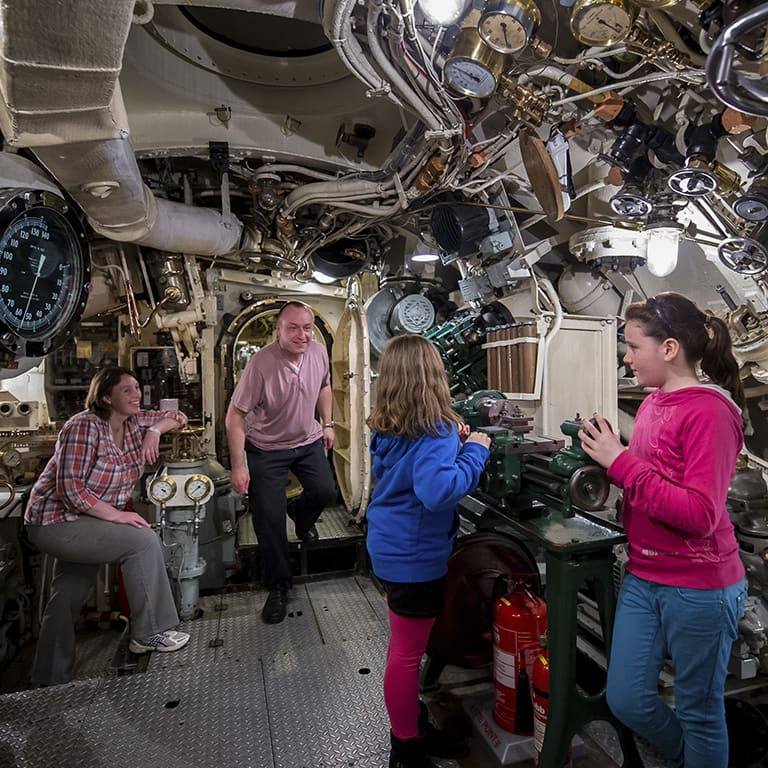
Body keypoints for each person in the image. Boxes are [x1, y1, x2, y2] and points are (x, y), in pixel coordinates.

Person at [579, 292, 747, 768]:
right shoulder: (655, 402)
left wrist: (621, 463)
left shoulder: (710, 412)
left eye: (633, 347)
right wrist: (613, 453)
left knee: (699, 712)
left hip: (700, 586)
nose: (627, 358)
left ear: (669, 348)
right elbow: (651, 477)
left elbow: (699, 514)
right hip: (645, 576)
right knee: (627, 699)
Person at [365, 334, 491, 768]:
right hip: (414, 557)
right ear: (433, 375)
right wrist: (474, 451)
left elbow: (404, 469)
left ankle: (414, 728)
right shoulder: (435, 429)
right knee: (405, 656)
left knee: (403, 647)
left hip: (386, 547)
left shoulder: (388, 425)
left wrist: (450, 442)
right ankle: (407, 749)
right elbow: (439, 492)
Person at [25, 366, 191, 687]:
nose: (136, 394)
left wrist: (155, 431)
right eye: (126, 390)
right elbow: (70, 489)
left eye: (137, 388)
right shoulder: (83, 427)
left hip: (88, 521)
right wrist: (117, 516)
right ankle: (148, 633)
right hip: (55, 521)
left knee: (68, 592)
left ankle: (49, 676)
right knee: (141, 540)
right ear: (105, 396)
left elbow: (178, 416)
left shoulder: (132, 423)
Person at [226, 300, 337, 625]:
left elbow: (325, 386)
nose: (301, 335)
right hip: (266, 448)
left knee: (324, 493)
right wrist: (239, 464)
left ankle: (301, 517)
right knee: (269, 518)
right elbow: (235, 415)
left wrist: (327, 423)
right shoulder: (261, 364)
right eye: (293, 327)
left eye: (306, 327)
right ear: (278, 330)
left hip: (307, 441)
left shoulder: (317, 351)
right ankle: (278, 586)